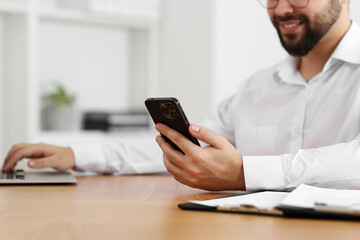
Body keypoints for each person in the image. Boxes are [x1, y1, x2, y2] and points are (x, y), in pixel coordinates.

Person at [2, 0, 360, 191]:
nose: (282, 9)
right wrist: (78, 153)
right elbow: (187, 143)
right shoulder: (257, 88)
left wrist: (242, 174)